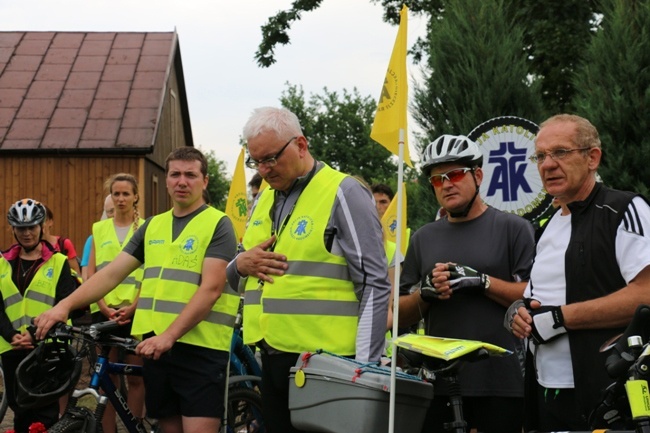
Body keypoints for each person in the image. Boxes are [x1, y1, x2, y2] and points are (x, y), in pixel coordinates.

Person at [35, 147, 240, 433]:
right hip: (156, 347)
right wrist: (64, 307)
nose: (182, 181)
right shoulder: (153, 226)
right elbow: (110, 274)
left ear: (204, 181)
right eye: (175, 174)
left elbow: (212, 289)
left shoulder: (218, 224)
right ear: (166, 180)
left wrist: (169, 336)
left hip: (199, 349)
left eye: (191, 175)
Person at [227, 107, 390, 433]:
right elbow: (236, 274)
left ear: (300, 145)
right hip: (272, 357)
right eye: (255, 161)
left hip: (327, 364)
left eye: (271, 158)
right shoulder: (264, 197)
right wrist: (239, 265)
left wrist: (365, 367)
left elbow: (374, 282)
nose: (264, 169)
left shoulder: (344, 192)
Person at [506, 114, 650, 432]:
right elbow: (539, 297)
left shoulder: (625, 209)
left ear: (592, 158)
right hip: (546, 392)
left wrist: (561, 318)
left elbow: (646, 294)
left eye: (560, 152)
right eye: (540, 156)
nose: (548, 164)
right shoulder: (547, 227)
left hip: (614, 394)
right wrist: (520, 312)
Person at [397, 134, 535, 433]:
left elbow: (533, 296)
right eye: (437, 180)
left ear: (478, 175)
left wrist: (482, 282)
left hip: (501, 382)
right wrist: (425, 294)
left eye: (456, 174)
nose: (447, 184)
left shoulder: (514, 228)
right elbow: (398, 314)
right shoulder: (423, 238)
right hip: (440, 384)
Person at [0, 199, 79, 432]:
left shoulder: (59, 262)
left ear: (42, 227)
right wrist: (12, 334)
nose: (27, 233)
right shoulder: (2, 263)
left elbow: (66, 304)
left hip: (47, 347)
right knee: (19, 408)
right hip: (11, 346)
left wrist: (34, 335)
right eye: (21, 228)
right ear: (12, 229)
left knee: (44, 414)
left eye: (32, 227)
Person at [87, 174, 145, 433]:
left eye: (125, 194)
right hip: (105, 311)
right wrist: (101, 305)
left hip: (136, 311)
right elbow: (92, 272)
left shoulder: (146, 227)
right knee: (106, 378)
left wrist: (133, 306)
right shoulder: (99, 229)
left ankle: (134, 426)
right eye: (116, 194)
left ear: (135, 197)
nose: (120, 199)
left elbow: (151, 273)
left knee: (135, 376)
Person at [80, 194, 114, 281]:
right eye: (110, 211)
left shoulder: (138, 232)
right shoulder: (93, 239)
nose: (115, 214)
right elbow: (86, 276)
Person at [43, 205, 82, 275]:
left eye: (43, 220)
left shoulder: (63, 244)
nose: (41, 224)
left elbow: (76, 273)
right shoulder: (28, 247)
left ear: (50, 222)